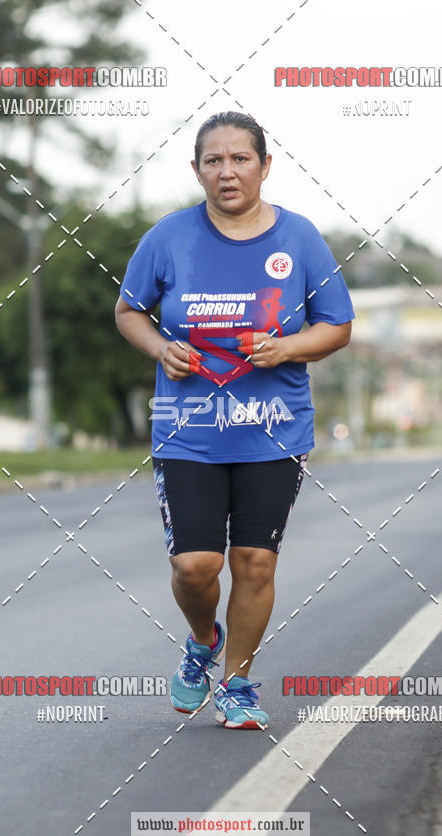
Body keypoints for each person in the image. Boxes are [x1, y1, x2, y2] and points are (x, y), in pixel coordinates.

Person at [115, 111, 354, 730]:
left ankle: (238, 683)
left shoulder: (300, 239)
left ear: (265, 166)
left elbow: (337, 326)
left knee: (254, 561)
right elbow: (130, 312)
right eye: (213, 161)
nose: (227, 171)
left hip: (272, 427)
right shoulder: (167, 238)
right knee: (195, 566)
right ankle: (203, 640)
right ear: (196, 170)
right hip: (188, 426)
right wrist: (160, 348)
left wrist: (289, 348)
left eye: (240, 159)